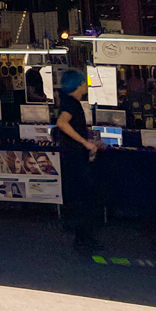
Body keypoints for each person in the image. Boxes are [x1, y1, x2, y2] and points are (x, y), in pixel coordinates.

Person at [55, 68, 102, 253]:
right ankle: (83, 238)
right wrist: (85, 143)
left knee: (81, 197)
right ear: (78, 84)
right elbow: (62, 123)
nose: (86, 85)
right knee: (85, 197)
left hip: (73, 155)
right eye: (83, 82)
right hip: (75, 157)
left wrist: (88, 142)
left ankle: (83, 236)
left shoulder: (69, 102)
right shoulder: (72, 104)